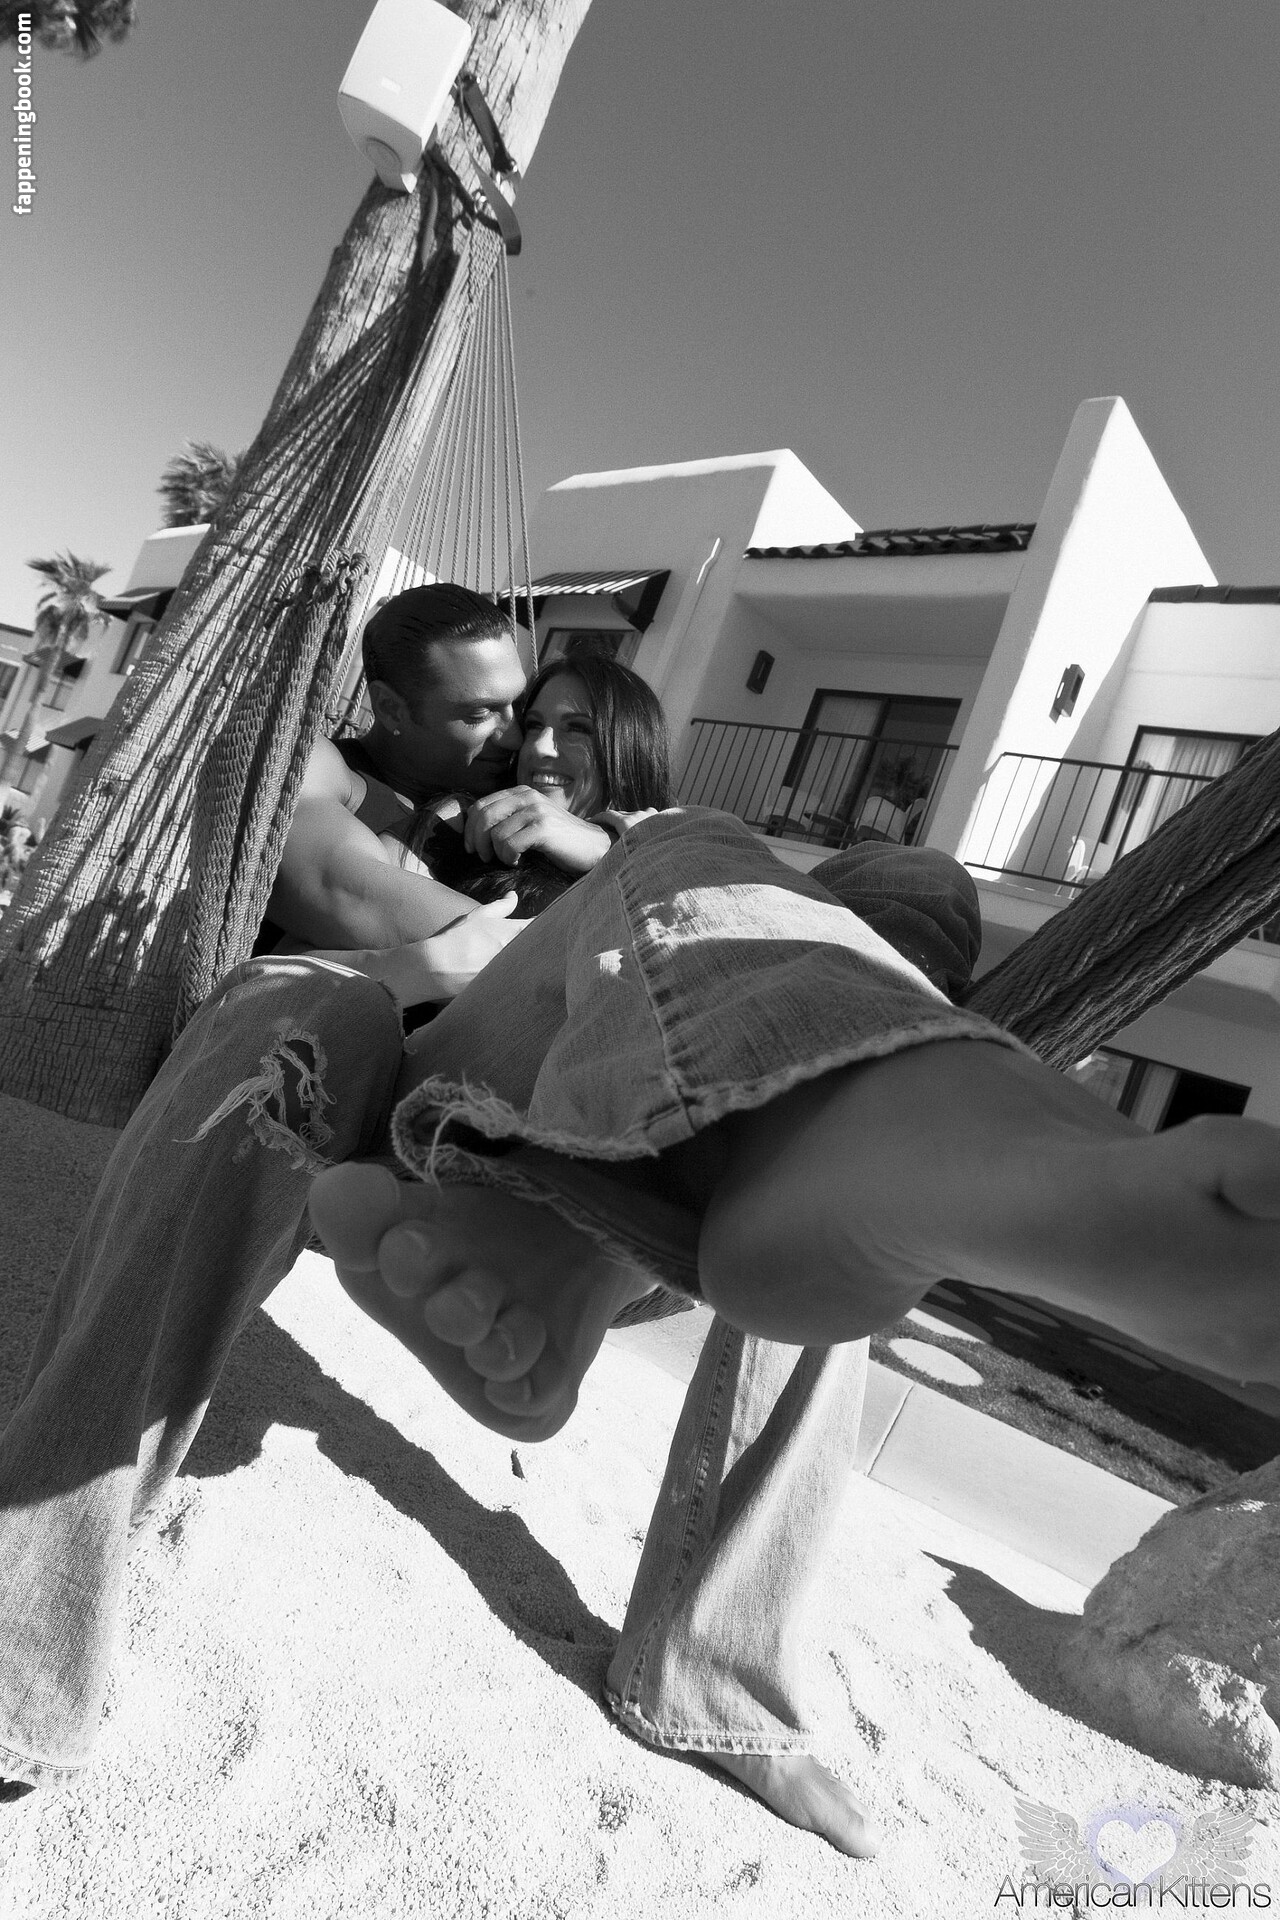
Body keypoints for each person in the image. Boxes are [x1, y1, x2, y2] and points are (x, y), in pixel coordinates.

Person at [0, 585, 985, 1856]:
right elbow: (357, 902)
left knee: (878, 970)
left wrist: (603, 855)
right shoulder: (327, 771)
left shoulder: (617, 842)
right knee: (300, 1003)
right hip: (383, 1096)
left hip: (604, 1114)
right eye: (492, 715)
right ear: (390, 707)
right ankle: (23, 1633)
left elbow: (757, 930)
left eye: (557, 721)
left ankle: (709, 1655)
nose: (523, 740)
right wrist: (603, 898)